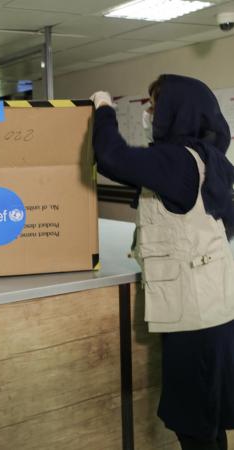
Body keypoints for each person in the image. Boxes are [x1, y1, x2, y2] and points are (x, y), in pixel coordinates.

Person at [91, 74, 234, 450]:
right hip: (213, 312)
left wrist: (104, 109)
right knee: (208, 419)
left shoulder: (177, 162)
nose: (150, 113)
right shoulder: (209, 159)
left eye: (155, 106)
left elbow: (111, 157)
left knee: (195, 426)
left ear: (178, 111)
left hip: (193, 318)